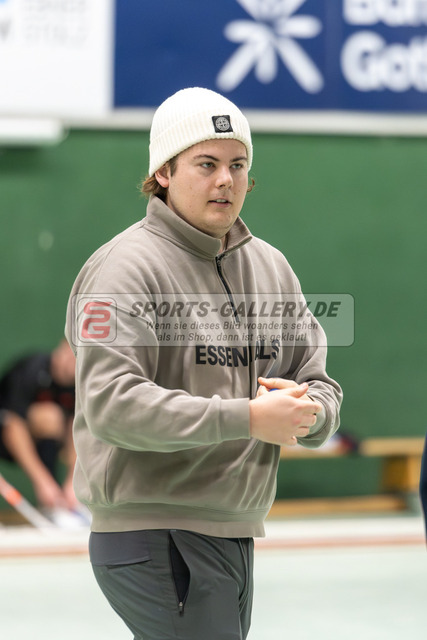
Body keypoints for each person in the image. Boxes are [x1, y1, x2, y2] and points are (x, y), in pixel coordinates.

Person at [65, 87, 342, 640]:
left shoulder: (271, 268)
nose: (226, 181)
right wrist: (248, 418)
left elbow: (317, 381)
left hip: (233, 530)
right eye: (207, 164)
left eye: (238, 165)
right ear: (163, 172)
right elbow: (111, 405)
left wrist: (309, 414)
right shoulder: (122, 269)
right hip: (152, 530)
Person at [0, 339, 78, 516]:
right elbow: (12, 426)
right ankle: (49, 494)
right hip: (6, 439)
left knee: (57, 419)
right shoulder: (32, 370)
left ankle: (56, 503)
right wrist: (43, 482)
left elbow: (76, 428)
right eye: (72, 354)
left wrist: (73, 482)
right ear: (61, 349)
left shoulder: (76, 385)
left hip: (44, 442)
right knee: (49, 416)